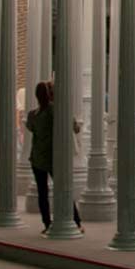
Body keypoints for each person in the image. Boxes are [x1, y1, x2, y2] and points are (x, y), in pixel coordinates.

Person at [26, 81, 83, 237]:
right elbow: (75, 127)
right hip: (53, 157)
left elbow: (30, 128)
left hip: (37, 157)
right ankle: (77, 222)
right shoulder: (55, 110)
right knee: (63, 189)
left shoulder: (33, 114)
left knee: (42, 192)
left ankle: (47, 224)